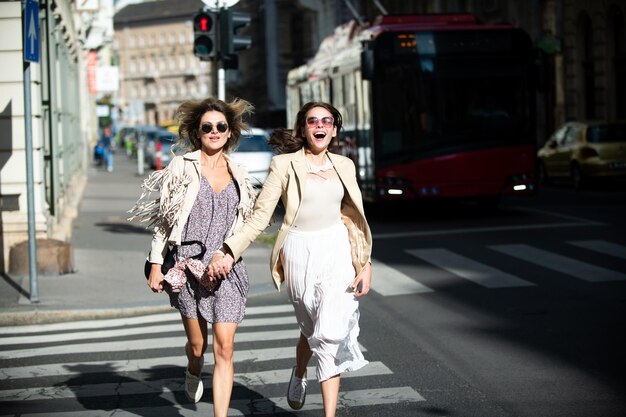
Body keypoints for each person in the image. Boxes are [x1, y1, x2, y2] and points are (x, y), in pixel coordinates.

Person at [209, 101, 373, 417]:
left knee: (329, 334)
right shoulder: (284, 165)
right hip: (299, 250)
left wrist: (365, 263)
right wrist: (230, 250)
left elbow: (354, 219)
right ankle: (300, 370)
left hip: (336, 249)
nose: (320, 125)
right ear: (302, 128)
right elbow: (259, 217)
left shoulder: (345, 165)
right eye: (313, 121)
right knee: (312, 325)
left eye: (327, 121)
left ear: (334, 129)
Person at [129, 97, 256, 417]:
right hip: (187, 265)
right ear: (197, 132)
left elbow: (245, 222)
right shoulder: (181, 166)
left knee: (225, 347)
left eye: (221, 127)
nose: (214, 132)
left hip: (225, 266)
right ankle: (193, 369)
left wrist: (229, 252)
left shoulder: (239, 172)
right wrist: (156, 264)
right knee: (198, 347)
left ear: (230, 132)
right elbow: (164, 219)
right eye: (207, 127)